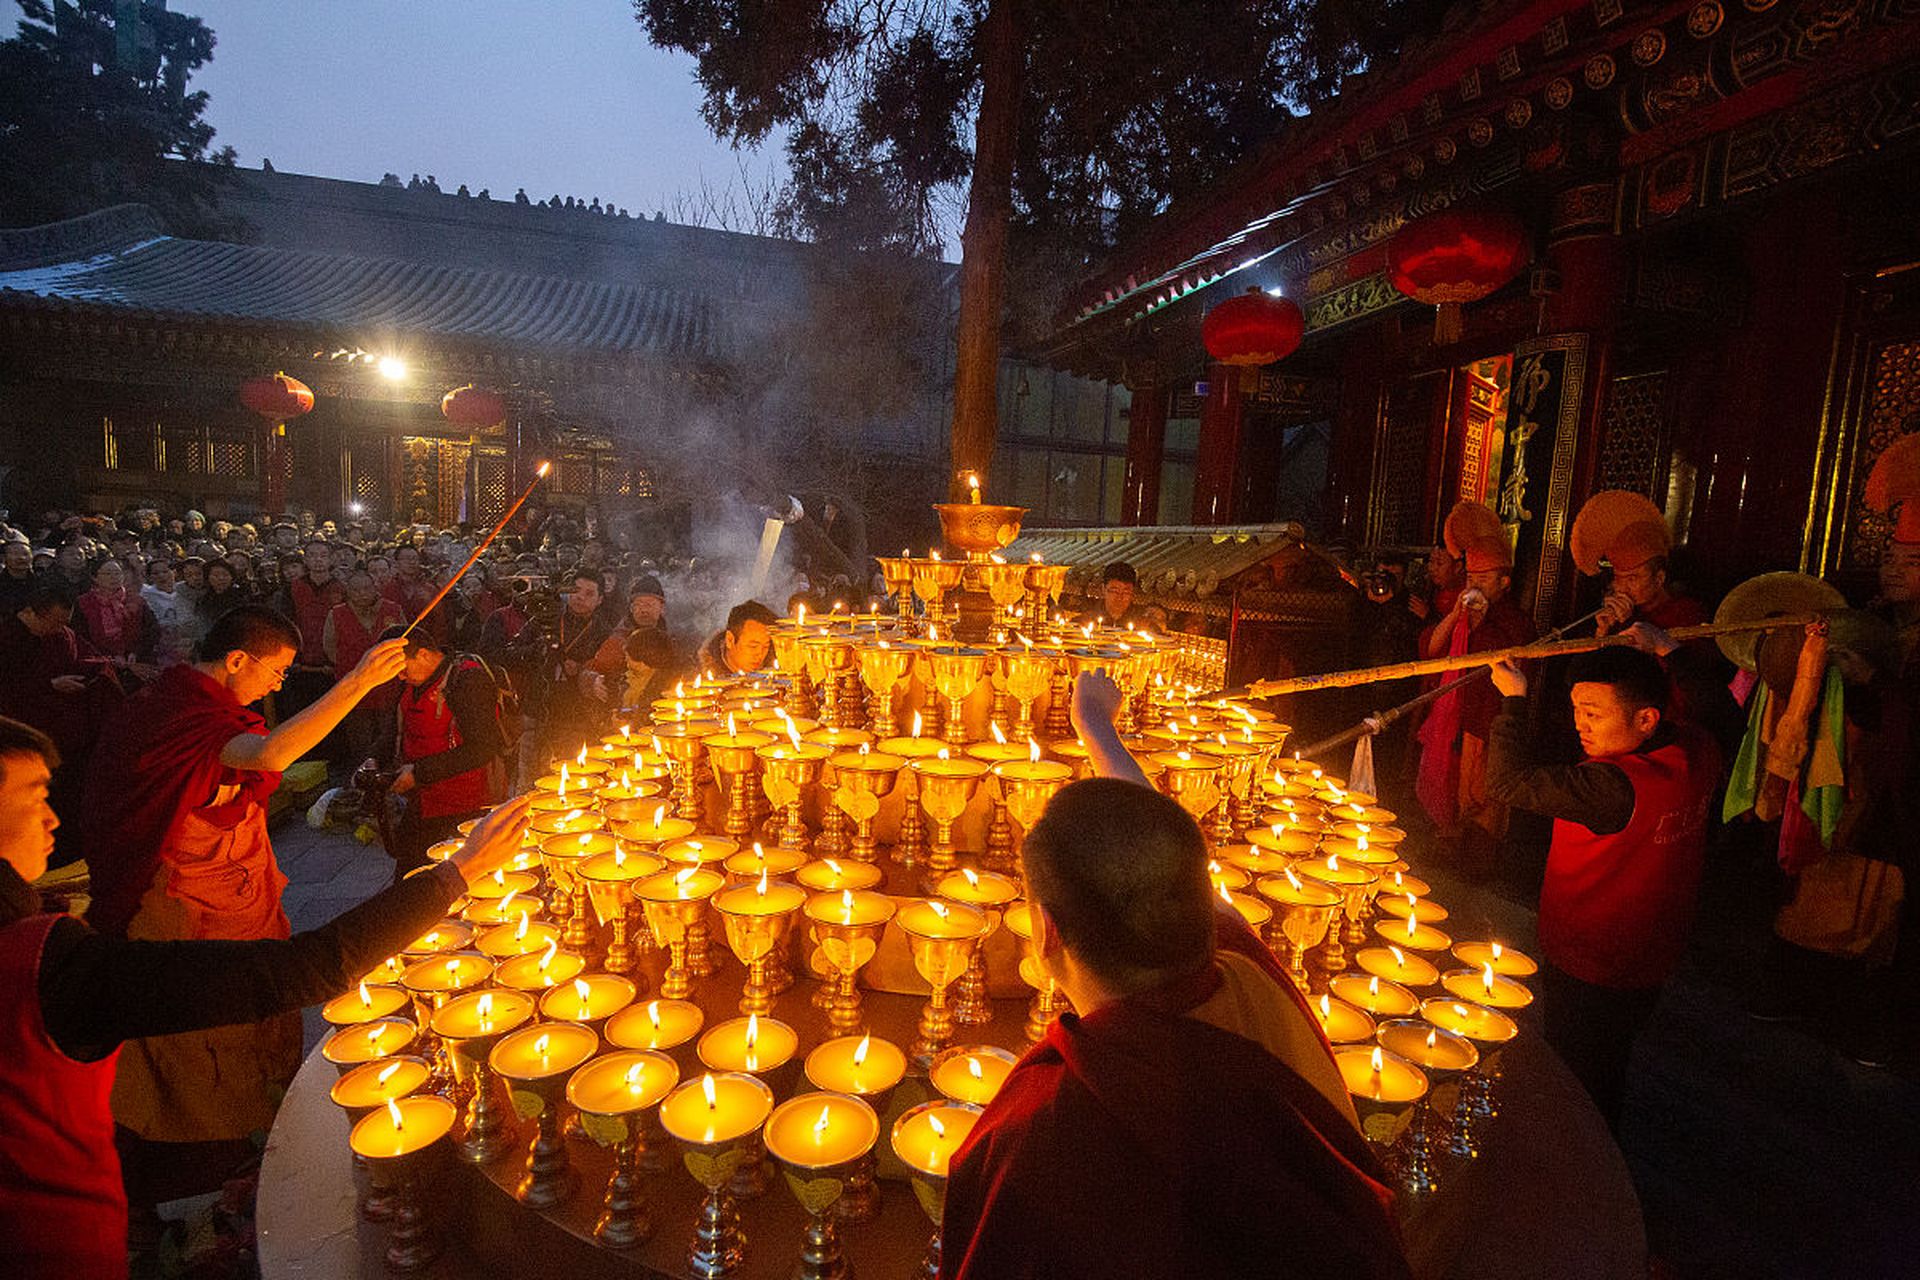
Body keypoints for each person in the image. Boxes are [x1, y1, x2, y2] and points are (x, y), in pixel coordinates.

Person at [0, 711, 533, 1279]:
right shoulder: (42, 967)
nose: (52, 817)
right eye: (35, 797)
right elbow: (302, 969)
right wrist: (457, 873)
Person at [940, 672, 1410, 1280]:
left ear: (1046, 931)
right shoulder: (1252, 978)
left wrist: (1095, 726)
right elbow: (1174, 860)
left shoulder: (1038, 1131)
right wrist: (1096, 730)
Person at [78, 610, 409, 1223]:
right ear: (236, 660)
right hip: (186, 907)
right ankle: (213, 1177)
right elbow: (271, 754)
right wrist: (359, 681)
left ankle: (263, 1133)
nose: (278, 684)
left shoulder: (207, 710)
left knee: (262, 1012)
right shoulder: (175, 714)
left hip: (240, 891)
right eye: (276, 671)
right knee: (208, 1035)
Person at [1484, 637, 1721, 1132]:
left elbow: (1507, 783)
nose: (1580, 725)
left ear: (1646, 719)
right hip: (1653, 951)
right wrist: (1669, 651)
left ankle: (1574, 1157)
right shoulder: (1697, 747)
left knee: (1577, 1073)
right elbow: (1719, 707)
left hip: (1592, 958)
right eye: (1576, 709)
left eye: (1593, 713)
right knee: (1611, 1057)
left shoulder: (1612, 787)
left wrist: (1513, 700)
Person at [1413, 502, 1534, 876]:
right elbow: (1431, 649)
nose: (1474, 586)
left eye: (1484, 579)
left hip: (1489, 722)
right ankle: (1446, 847)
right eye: (1471, 578)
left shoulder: (1515, 621)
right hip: (1457, 717)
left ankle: (1477, 864)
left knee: (1483, 794)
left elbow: (1512, 662)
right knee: (1452, 785)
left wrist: (1482, 622)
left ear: (1504, 583)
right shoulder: (1461, 611)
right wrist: (1457, 616)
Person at [372, 625, 508, 876]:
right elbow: (395, 728)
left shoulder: (467, 680)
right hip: (422, 800)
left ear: (423, 654)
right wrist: (372, 760)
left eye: (402, 669)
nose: (400, 677)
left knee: (461, 876)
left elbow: (483, 748)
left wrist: (419, 773)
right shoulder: (411, 682)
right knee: (411, 875)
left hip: (464, 804)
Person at [517, 569, 613, 761]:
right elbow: (510, 653)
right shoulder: (546, 619)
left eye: (589, 593)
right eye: (575, 590)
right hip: (536, 709)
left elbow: (607, 674)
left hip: (576, 717)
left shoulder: (603, 632)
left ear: (600, 600)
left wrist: (580, 670)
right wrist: (539, 651)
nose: (580, 597)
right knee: (530, 771)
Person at [74, 558, 158, 689]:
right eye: (108, 573)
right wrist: (111, 659)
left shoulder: (136, 600)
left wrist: (135, 652)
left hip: (138, 662)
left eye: (117, 573)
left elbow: (152, 630)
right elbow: (81, 637)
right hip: (100, 667)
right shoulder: (83, 603)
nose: (114, 577)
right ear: (95, 577)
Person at [280, 539, 344, 711]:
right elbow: (287, 623)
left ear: (332, 559)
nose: (318, 560)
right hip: (300, 662)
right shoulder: (292, 588)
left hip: (331, 663)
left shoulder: (341, 588)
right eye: (313, 555)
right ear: (306, 560)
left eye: (323, 555)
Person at [698, 600, 776, 676]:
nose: (760, 654)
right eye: (753, 646)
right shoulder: (700, 677)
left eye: (766, 646)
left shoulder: (774, 671)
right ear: (730, 640)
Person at [1075, 560, 1144, 628]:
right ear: (1103, 589)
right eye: (1114, 591)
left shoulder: (1142, 622)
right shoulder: (1086, 620)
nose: (1120, 597)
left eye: (1126, 592)